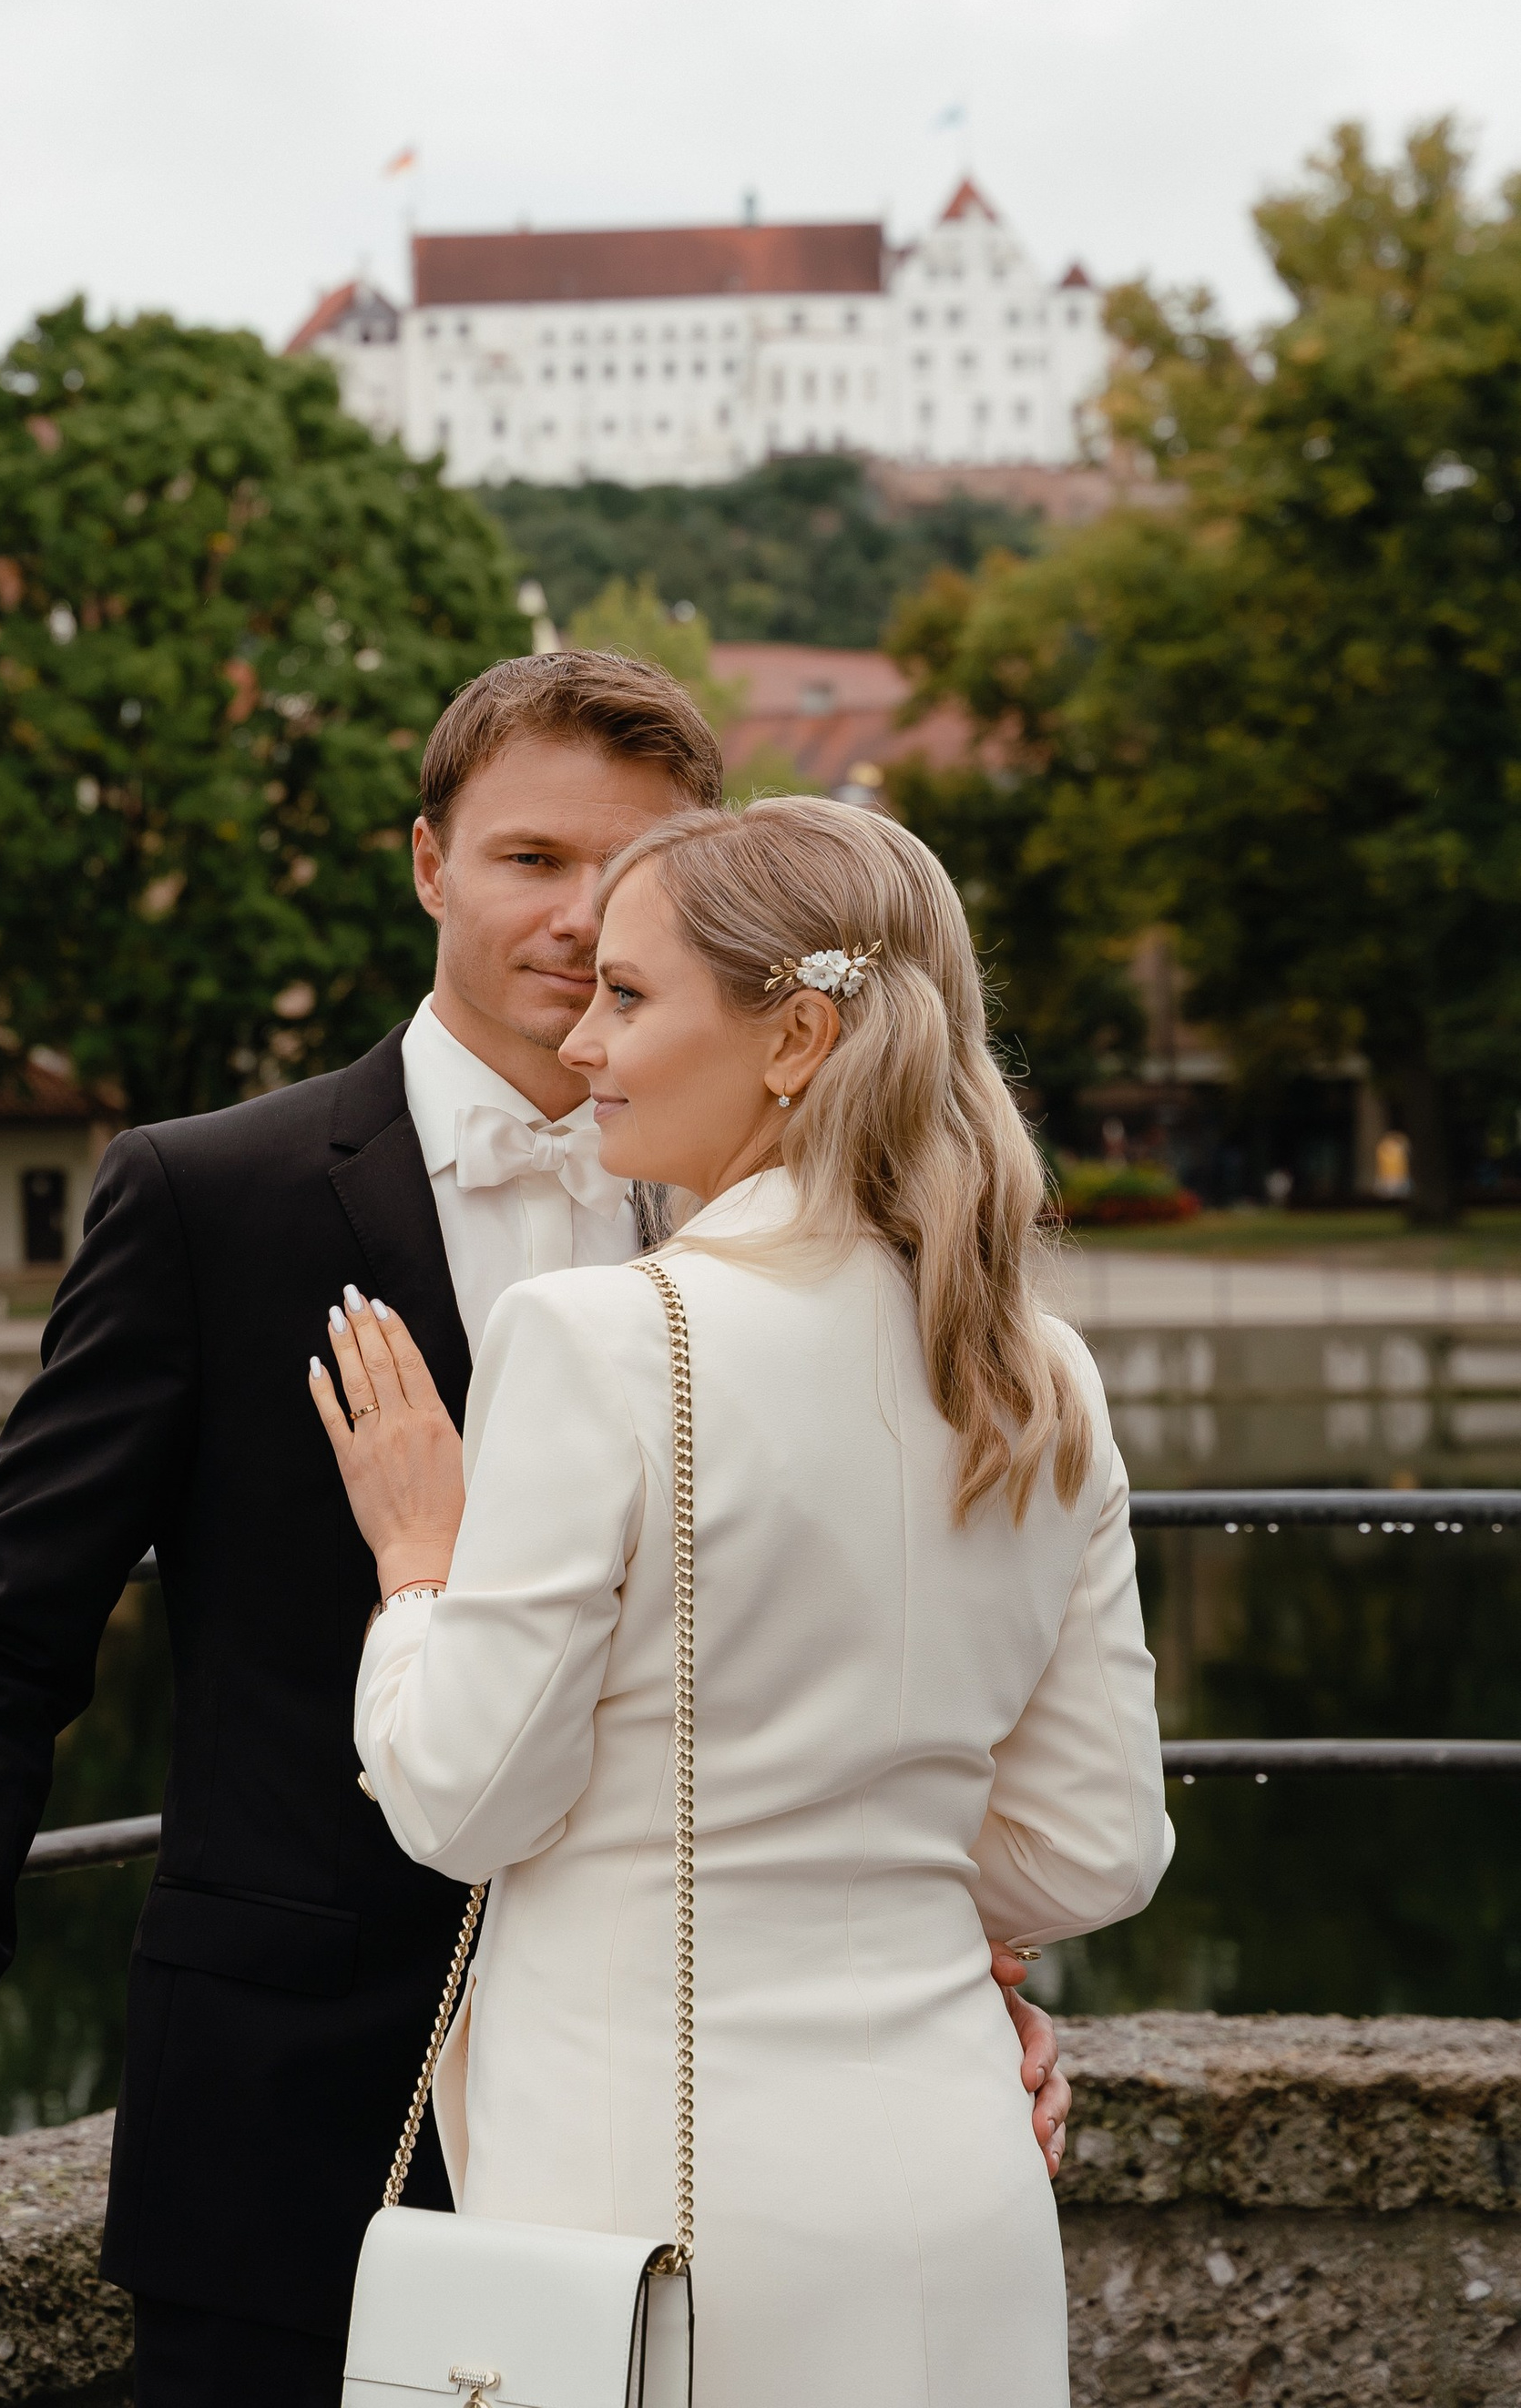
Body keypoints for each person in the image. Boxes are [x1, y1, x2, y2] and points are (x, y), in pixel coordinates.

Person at [0, 660, 1074, 2406]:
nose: (576, 920)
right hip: (296, 2115)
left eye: (629, 877)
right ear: (426, 867)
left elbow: (871, 1666)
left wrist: (949, 1963)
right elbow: (11, 1628)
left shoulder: (827, 1257)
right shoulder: (208, 1198)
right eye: (528, 858)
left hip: (683, 2133)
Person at [317, 795, 1169, 2408]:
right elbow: (1100, 1847)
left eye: (631, 997)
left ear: (796, 1035)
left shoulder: (601, 1339)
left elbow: (459, 1796)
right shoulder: (1037, 1370)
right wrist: (879, 1878)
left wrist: (418, 1569)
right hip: (958, 2178)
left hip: (651, 2209)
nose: (582, 1041)